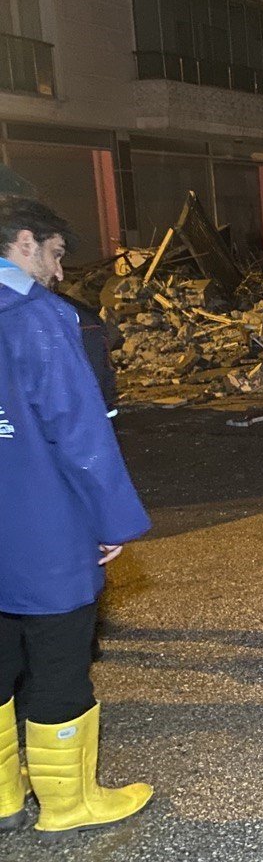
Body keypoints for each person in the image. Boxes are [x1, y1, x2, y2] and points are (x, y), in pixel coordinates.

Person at [0, 195, 152, 834]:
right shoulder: (38, 319)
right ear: (25, 242)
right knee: (59, 656)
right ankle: (67, 803)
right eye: (56, 254)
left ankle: (4, 799)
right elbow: (80, 433)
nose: (60, 273)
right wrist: (112, 521)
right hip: (43, 524)